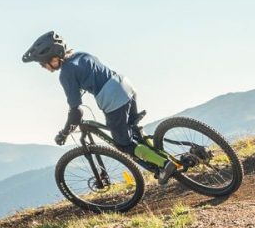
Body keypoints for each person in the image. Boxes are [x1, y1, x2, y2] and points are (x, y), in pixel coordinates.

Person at [21, 31, 177, 180]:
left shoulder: (66, 73)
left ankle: (165, 164)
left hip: (113, 98)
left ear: (54, 58)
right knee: (133, 130)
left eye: (42, 63)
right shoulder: (81, 54)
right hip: (125, 85)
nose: (43, 67)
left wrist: (64, 133)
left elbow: (76, 112)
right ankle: (163, 159)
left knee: (123, 143)